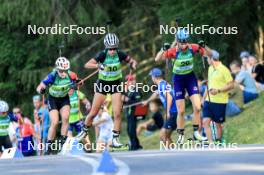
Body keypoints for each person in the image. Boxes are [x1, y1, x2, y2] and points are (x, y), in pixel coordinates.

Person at [76, 33, 137, 148]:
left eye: (114, 48)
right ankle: (84, 131)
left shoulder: (120, 54)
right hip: (103, 85)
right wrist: (98, 65)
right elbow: (87, 64)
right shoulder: (102, 55)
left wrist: (133, 64)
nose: (112, 51)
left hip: (116, 84)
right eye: (110, 49)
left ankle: (115, 139)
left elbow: (132, 61)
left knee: (117, 113)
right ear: (106, 47)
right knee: (93, 113)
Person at [155, 29, 211, 144]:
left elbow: (209, 54)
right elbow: (157, 59)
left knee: (198, 107)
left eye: (186, 42)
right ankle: (181, 135)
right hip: (178, 80)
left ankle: (196, 133)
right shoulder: (173, 51)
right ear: (178, 42)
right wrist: (163, 49)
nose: (184, 45)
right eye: (182, 43)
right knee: (181, 111)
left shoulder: (192, 47)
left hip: (190, 78)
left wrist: (204, 46)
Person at [36, 57, 78, 155]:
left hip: (64, 99)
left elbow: (78, 84)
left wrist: (75, 86)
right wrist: (41, 89)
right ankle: (49, 146)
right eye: (61, 70)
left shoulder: (71, 75)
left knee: (66, 118)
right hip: (53, 99)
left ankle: (62, 142)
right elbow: (40, 86)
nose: (63, 72)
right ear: (58, 69)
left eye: (65, 70)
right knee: (54, 122)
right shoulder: (52, 75)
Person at [202, 50, 234, 144]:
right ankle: (211, 143)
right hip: (209, 100)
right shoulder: (210, 68)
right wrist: (203, 99)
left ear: (212, 59)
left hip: (220, 101)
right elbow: (209, 84)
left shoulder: (224, 69)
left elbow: (231, 85)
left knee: (218, 124)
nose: (207, 60)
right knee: (205, 122)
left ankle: (219, 141)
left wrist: (218, 90)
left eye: (207, 58)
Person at [141, 68, 177, 148]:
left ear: (154, 77)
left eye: (151, 76)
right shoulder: (162, 84)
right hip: (173, 112)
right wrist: (147, 101)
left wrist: (167, 112)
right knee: (166, 136)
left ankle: (173, 154)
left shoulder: (162, 85)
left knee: (163, 135)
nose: (151, 78)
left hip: (172, 112)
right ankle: (174, 152)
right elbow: (156, 93)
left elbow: (169, 97)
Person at [123, 74, 143, 150]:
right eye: (128, 81)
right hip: (129, 113)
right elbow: (124, 102)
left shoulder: (136, 90)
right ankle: (137, 145)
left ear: (134, 81)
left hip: (135, 113)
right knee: (129, 130)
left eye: (131, 80)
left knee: (131, 130)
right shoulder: (127, 91)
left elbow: (138, 102)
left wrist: (127, 100)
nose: (130, 82)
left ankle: (134, 146)